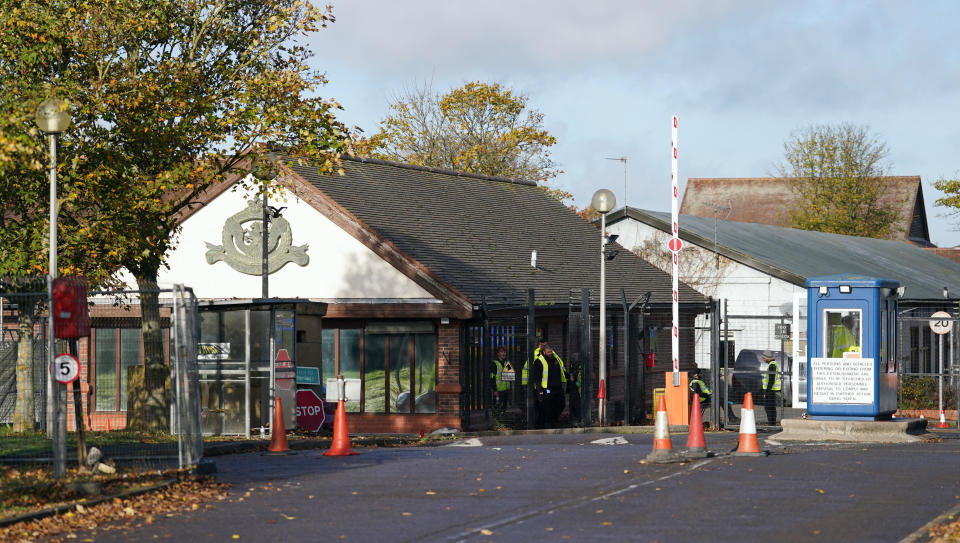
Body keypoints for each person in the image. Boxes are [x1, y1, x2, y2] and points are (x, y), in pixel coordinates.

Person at [530, 343, 567, 429]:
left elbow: (562, 370)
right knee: (548, 406)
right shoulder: (539, 361)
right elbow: (537, 377)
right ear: (544, 352)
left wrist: (568, 377)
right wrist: (539, 389)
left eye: (551, 351)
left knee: (561, 404)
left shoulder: (556, 359)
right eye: (548, 352)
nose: (551, 353)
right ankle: (548, 424)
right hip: (547, 388)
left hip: (558, 388)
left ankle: (553, 420)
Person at [761, 350, 781, 424]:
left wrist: (766, 392)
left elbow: (771, 380)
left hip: (771, 391)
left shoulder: (772, 365)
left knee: (769, 408)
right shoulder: (773, 364)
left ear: (767, 358)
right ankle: (772, 424)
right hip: (772, 390)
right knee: (771, 408)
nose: (763, 359)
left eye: (764, 358)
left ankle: (771, 424)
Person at [490, 347, 512, 415]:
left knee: (504, 407)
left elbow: (510, 376)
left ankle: (502, 422)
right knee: (497, 407)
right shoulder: (494, 364)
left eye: (504, 352)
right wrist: (494, 390)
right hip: (498, 390)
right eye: (501, 352)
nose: (504, 353)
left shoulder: (507, 363)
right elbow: (492, 377)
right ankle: (496, 422)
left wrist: (509, 387)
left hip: (506, 389)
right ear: (498, 354)